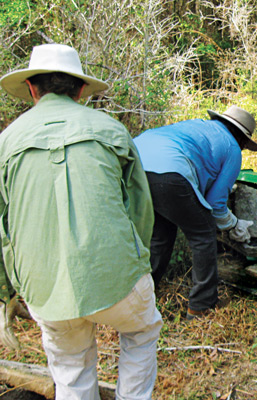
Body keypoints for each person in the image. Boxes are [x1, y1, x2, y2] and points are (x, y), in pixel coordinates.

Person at [0, 43, 162, 399]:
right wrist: (139, 265)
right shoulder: (111, 129)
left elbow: (3, 225)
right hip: (116, 274)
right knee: (142, 331)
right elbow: (140, 210)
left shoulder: (7, 140)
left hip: (42, 284)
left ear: (31, 88)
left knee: (71, 365)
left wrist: (11, 288)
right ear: (82, 89)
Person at [133, 106, 257, 320]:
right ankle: (202, 306)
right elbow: (216, 204)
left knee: (161, 235)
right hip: (170, 170)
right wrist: (233, 225)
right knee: (203, 235)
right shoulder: (232, 148)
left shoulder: (197, 127)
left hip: (135, 164)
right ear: (242, 139)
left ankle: (143, 295)